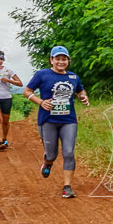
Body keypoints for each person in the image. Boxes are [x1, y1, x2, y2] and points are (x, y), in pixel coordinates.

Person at [23, 46, 89, 198]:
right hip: (48, 120)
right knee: (52, 154)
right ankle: (48, 162)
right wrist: (40, 102)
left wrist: (83, 97)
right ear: (51, 60)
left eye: (64, 59)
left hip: (68, 120)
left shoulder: (73, 77)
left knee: (68, 152)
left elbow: (80, 90)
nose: (61, 62)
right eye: (57, 59)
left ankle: (67, 187)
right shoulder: (42, 74)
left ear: (68, 61)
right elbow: (27, 91)